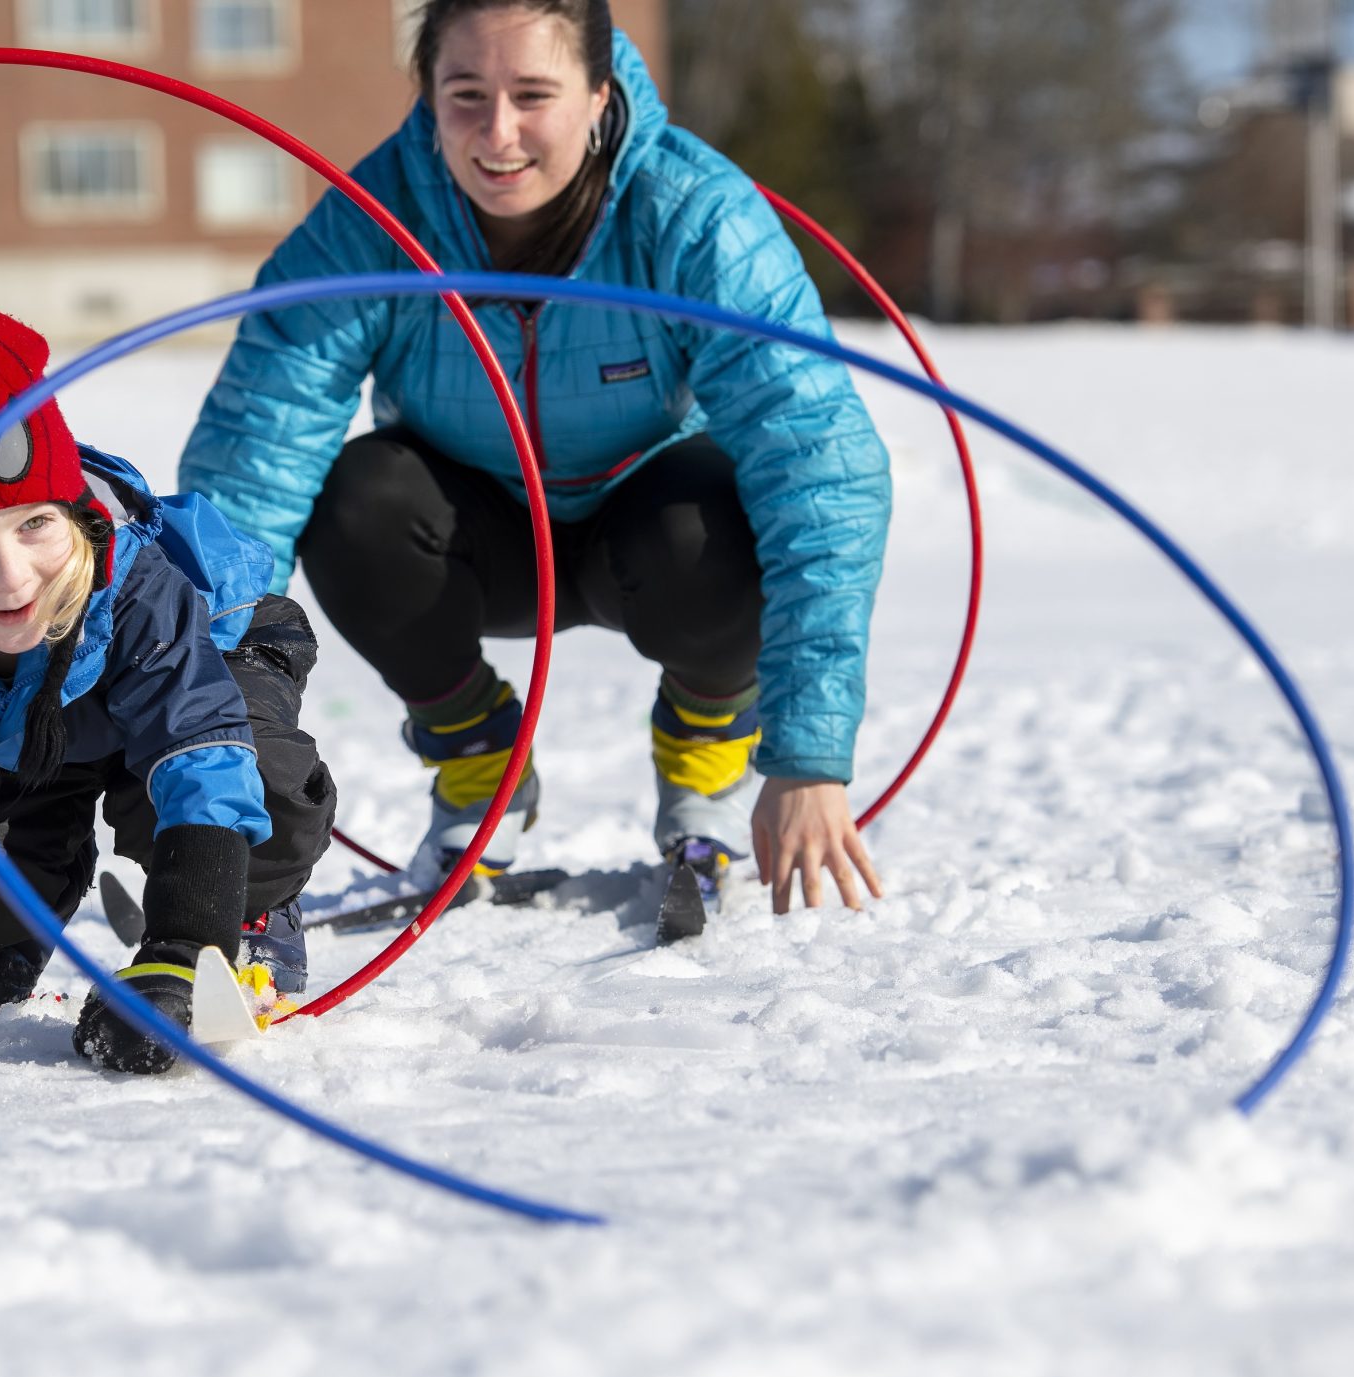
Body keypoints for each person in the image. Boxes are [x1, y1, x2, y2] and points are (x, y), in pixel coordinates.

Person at [179, 0, 890, 914]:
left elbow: (821, 466)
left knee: (721, 521)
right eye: (466, 94)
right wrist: (199, 709)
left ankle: (705, 763)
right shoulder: (373, 219)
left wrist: (809, 757)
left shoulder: (692, 213)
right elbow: (255, 458)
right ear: (428, 94)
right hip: (471, 538)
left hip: (649, 529)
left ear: (598, 97)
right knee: (356, 498)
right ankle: (480, 764)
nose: (499, 133)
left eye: (534, 94)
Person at [0, 310, 337, 1081]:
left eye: (34, 524)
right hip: (33, 735)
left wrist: (186, 946)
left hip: (220, 659)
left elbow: (200, 749)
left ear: (71, 511)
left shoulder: (141, 588)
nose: (10, 578)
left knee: (253, 772)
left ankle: (246, 915)